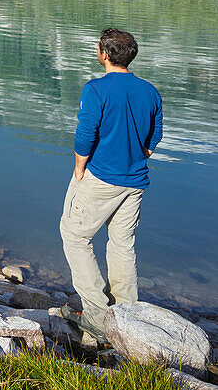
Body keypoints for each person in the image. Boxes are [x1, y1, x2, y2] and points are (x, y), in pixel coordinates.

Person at [59, 28, 162, 343]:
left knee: (75, 237)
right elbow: (154, 137)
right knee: (122, 245)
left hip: (101, 177)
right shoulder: (149, 91)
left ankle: (96, 315)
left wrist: (79, 167)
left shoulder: (96, 89)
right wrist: (138, 154)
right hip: (135, 181)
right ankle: (126, 316)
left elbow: (85, 133)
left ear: (104, 54)